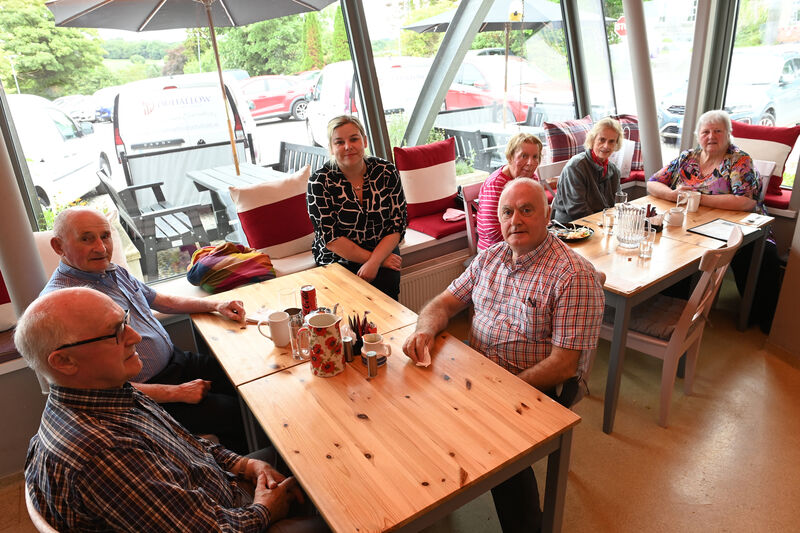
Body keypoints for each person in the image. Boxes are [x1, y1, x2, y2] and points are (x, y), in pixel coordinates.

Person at [18, 288, 327, 532]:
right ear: (64, 362)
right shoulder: (103, 452)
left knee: (311, 456)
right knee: (345, 515)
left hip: (219, 496)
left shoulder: (108, 393)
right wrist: (265, 510)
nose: (135, 336)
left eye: (125, 321)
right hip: (232, 520)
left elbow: (190, 446)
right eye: (115, 332)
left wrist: (247, 466)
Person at [402, 178, 604, 532]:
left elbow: (564, 364)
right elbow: (444, 304)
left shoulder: (573, 276)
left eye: (527, 210)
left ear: (548, 214)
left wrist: (503, 390)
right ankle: (429, 496)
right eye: (507, 212)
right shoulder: (490, 258)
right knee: (414, 407)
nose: (516, 220)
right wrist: (424, 329)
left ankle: (526, 525)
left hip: (541, 384)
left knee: (498, 449)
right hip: (479, 372)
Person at [41, 207, 249, 453]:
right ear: (58, 246)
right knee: (234, 413)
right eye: (86, 239)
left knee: (244, 378)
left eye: (105, 236)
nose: (101, 247)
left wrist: (216, 304)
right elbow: (97, 387)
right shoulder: (64, 304)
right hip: (146, 395)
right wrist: (177, 393)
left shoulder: (113, 271)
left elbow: (162, 301)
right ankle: (249, 472)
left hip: (177, 362)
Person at [648, 109, 780, 332]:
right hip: (692, 224)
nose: (711, 136)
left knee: (764, 255)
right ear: (697, 135)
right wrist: (673, 195)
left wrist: (699, 199)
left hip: (739, 227)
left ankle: (761, 318)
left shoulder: (739, 160)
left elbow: (746, 202)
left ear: (728, 133)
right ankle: (670, 308)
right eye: (706, 131)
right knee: (673, 246)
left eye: (718, 131)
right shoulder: (687, 158)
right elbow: (653, 183)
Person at [307, 115, 407, 300]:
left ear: (365, 141)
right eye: (339, 142)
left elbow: (397, 224)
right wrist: (377, 261)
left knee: (388, 299)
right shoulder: (319, 181)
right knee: (348, 308)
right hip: (337, 258)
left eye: (354, 139)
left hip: (382, 249)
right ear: (330, 148)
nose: (348, 146)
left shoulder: (386, 171)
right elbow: (331, 238)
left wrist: (376, 261)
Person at [476, 132, 543, 251]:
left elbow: (538, 216)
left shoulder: (532, 179)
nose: (530, 163)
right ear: (510, 157)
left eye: (535, 157)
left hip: (525, 241)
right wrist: (527, 239)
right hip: (494, 249)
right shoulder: (495, 184)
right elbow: (492, 231)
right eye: (524, 156)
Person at [551, 117, 623, 223]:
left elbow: (618, 203)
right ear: (593, 139)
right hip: (572, 227)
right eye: (602, 139)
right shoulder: (576, 167)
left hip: (600, 223)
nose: (606, 146)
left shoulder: (614, 170)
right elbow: (577, 210)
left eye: (611, 141)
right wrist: (605, 223)